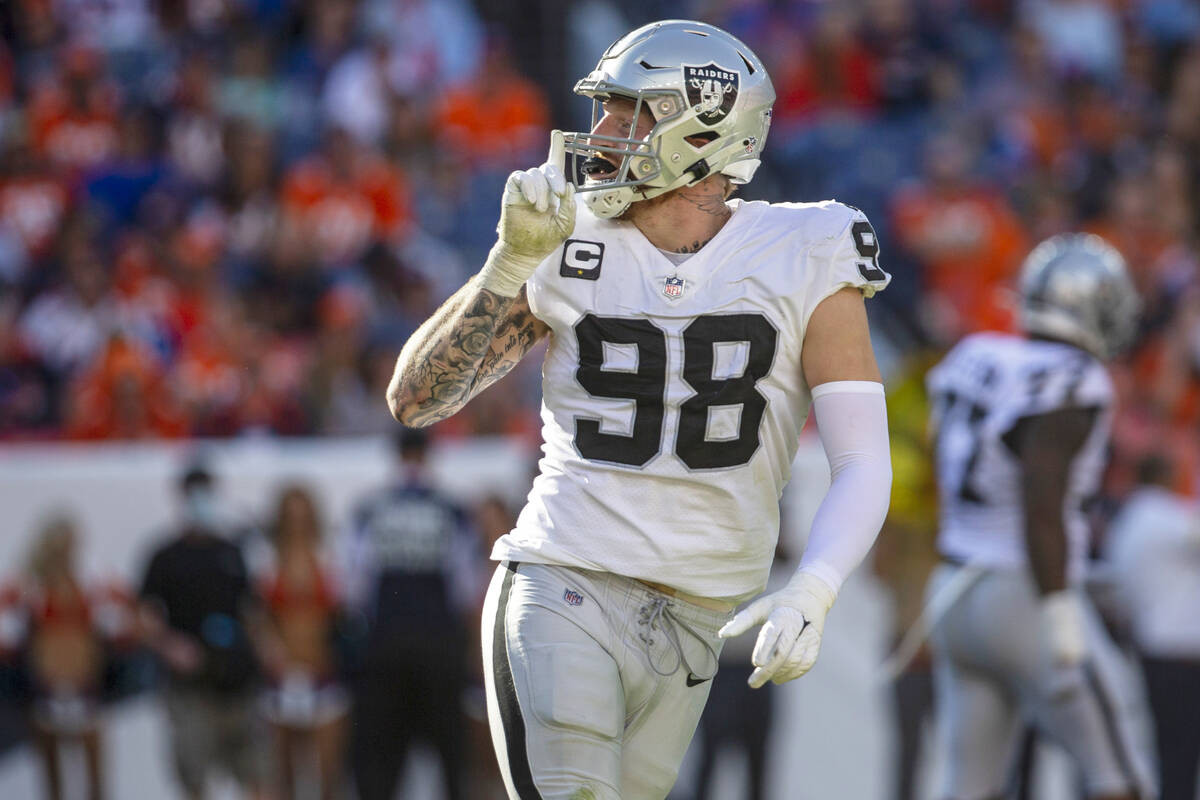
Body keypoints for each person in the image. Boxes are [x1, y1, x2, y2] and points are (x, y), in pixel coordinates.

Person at [387, 19, 894, 800]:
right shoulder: (563, 237)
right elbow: (416, 400)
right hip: (566, 579)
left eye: (632, 114)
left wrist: (815, 586)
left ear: (704, 132)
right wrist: (508, 262)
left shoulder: (806, 247)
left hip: (697, 615)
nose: (603, 133)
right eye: (605, 110)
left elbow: (861, 458)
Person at [924, 233, 1155, 800]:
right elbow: (1041, 500)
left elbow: (943, 457)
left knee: (968, 784)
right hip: (1023, 590)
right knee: (1121, 768)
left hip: (954, 586)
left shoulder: (977, 354)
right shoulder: (1074, 378)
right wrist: (1059, 612)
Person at [343, 425, 482, 800]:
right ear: (427, 455)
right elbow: (465, 587)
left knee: (383, 752)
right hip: (438, 643)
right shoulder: (451, 509)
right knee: (450, 752)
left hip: (386, 642)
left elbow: (355, 587)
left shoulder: (370, 508)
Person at [137, 462, 269, 800]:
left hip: (239, 682)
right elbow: (145, 617)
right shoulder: (164, 556)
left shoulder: (232, 551)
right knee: (195, 778)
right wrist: (171, 647)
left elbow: (252, 611)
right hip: (191, 689)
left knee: (258, 776)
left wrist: (267, 654)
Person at [1103, 455, 1200, 800]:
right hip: (1180, 654)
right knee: (1180, 755)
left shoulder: (1129, 520)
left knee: (1168, 750)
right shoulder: (1162, 515)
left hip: (1153, 648)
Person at [253, 484, 350, 800]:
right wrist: (269, 647)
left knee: (328, 777)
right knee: (283, 778)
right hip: (282, 678)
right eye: (290, 517)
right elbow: (258, 616)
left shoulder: (328, 556)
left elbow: (343, 614)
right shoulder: (267, 561)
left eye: (303, 517)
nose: (297, 524)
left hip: (322, 673)